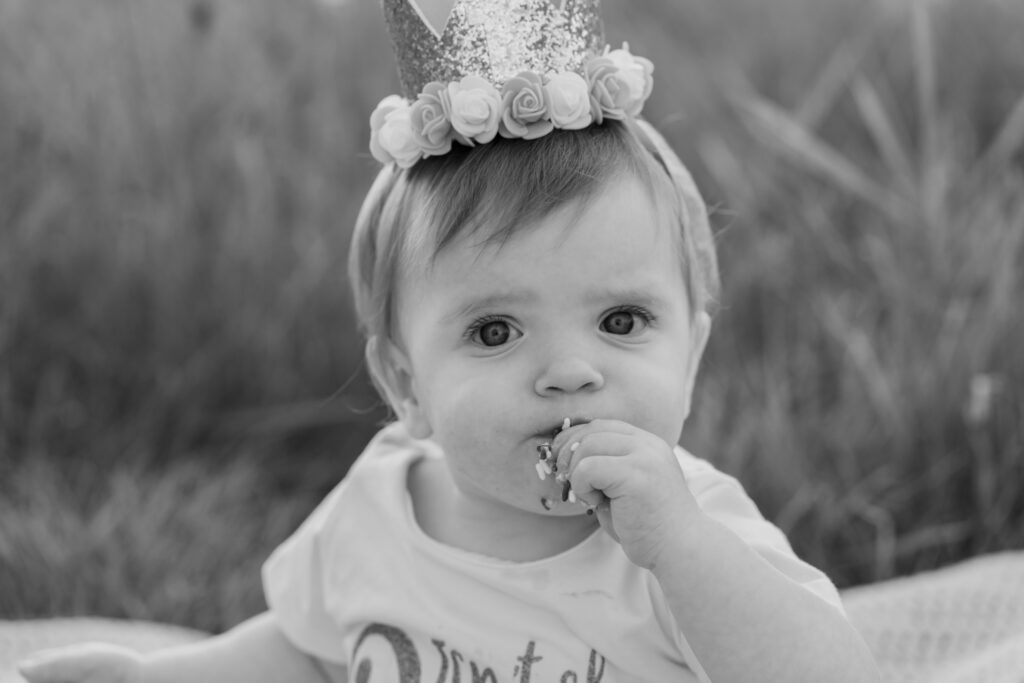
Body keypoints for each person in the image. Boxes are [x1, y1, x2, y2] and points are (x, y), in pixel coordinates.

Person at [18, 0, 880, 681]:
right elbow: (306, 655)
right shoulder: (378, 511)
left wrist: (684, 551)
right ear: (406, 386)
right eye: (495, 330)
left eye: (622, 321)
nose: (572, 372)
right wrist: (153, 678)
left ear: (690, 356)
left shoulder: (690, 536)